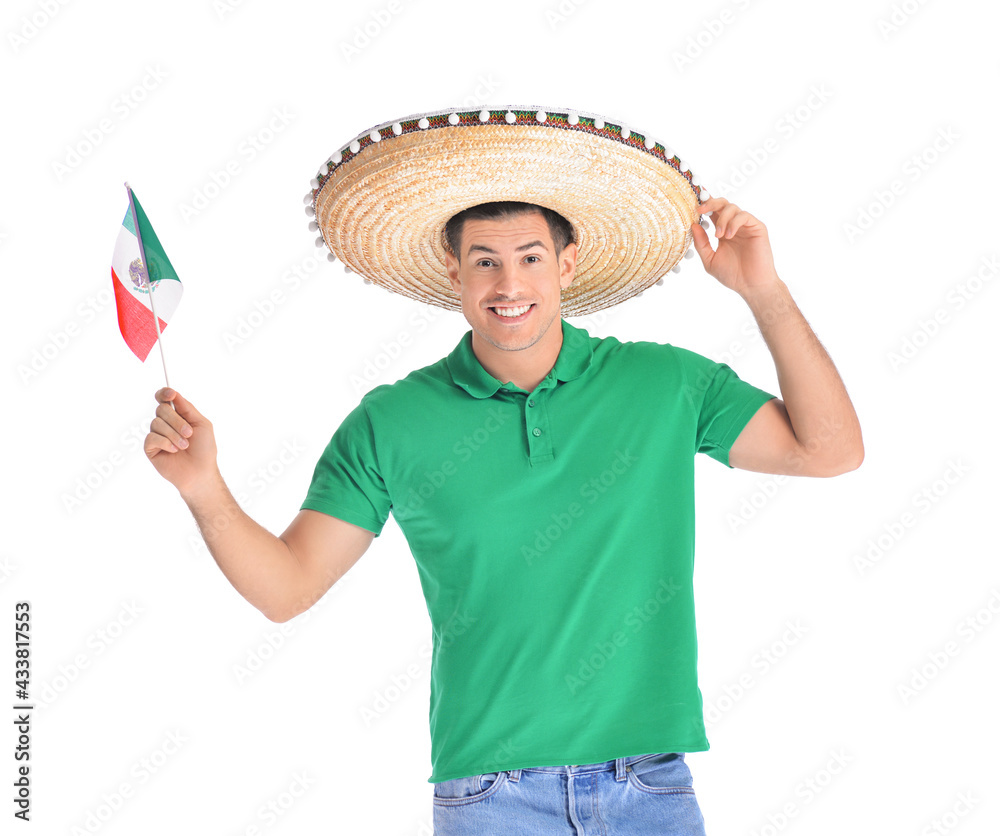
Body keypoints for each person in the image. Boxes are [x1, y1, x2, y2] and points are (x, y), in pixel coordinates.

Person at [144, 108, 863, 835]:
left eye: (529, 256)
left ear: (567, 264)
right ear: (454, 270)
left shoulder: (665, 383)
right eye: (485, 259)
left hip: (650, 785)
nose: (508, 283)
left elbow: (831, 450)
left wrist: (762, 292)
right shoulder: (391, 422)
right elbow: (286, 588)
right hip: (492, 800)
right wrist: (203, 487)